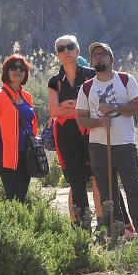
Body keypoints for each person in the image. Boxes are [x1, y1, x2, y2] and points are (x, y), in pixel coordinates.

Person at [76, 42, 138, 232]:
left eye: (102, 54)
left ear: (112, 58)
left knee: (133, 189)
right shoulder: (86, 88)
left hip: (124, 144)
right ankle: (115, 234)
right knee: (107, 193)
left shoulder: (126, 80)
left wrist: (115, 107)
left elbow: (137, 108)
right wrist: (99, 122)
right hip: (98, 146)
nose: (98, 57)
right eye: (94, 55)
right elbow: (81, 120)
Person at [48, 35, 97, 228]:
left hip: (91, 132)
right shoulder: (54, 81)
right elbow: (53, 111)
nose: (66, 51)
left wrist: (68, 105)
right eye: (61, 49)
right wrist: (79, 106)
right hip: (66, 135)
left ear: (78, 50)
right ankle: (82, 228)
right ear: (58, 55)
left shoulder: (91, 74)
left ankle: (107, 223)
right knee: (76, 182)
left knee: (98, 178)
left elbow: (95, 105)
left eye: (70, 47)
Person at [0, 55, 39, 202]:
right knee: (13, 196)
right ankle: (11, 223)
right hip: (7, 157)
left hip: (26, 155)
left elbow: (31, 124)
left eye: (22, 68)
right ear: (6, 71)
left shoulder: (27, 96)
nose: (18, 70)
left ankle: (19, 223)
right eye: (13, 67)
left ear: (26, 73)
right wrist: (0, 149)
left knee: (22, 195)